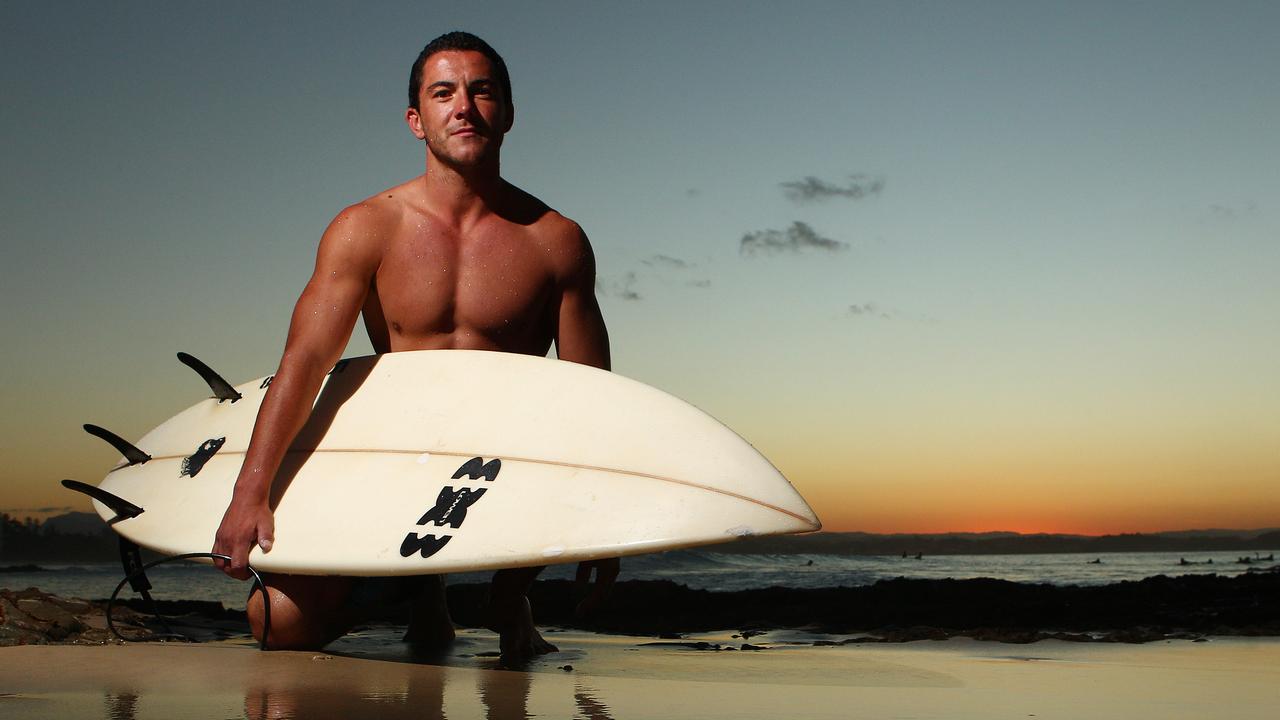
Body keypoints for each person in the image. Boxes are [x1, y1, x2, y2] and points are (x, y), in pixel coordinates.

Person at [212, 31, 616, 658]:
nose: (465, 107)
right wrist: (249, 494)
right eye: (444, 93)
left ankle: (509, 598)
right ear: (416, 120)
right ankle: (419, 591)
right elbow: (304, 363)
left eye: (482, 92)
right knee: (276, 621)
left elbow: (591, 399)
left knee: (546, 433)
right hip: (398, 460)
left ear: (507, 113)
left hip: (510, 468)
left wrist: (605, 520)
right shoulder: (365, 228)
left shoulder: (555, 240)